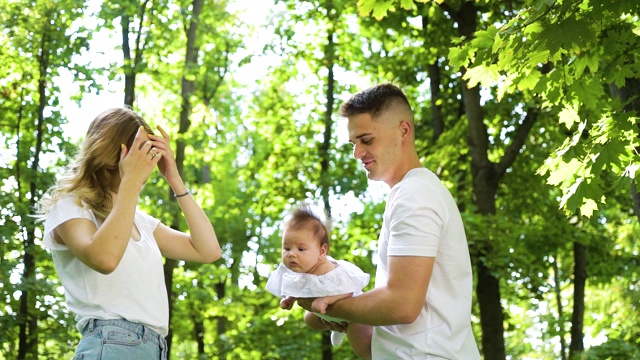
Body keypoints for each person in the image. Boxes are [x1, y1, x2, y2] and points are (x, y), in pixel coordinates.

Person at [296, 83, 481, 359]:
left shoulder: (414, 194)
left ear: (403, 130)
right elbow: (401, 311)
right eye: (353, 143)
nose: (357, 153)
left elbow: (403, 305)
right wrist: (344, 310)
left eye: (366, 140)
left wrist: (319, 302)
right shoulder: (413, 192)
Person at [37, 107, 222, 360]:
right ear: (114, 154)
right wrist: (131, 182)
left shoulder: (140, 221)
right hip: (110, 342)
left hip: (153, 347)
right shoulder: (71, 206)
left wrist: (175, 179)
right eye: (142, 151)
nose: (149, 160)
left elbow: (208, 250)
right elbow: (105, 258)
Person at [265, 203, 372, 357]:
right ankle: (337, 327)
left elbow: (349, 290)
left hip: (354, 314)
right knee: (309, 319)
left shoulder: (328, 270)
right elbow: (303, 287)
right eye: (287, 248)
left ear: (322, 251)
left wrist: (327, 300)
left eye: (301, 249)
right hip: (329, 314)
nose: (291, 254)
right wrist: (290, 298)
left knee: (361, 347)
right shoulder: (303, 269)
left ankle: (368, 349)